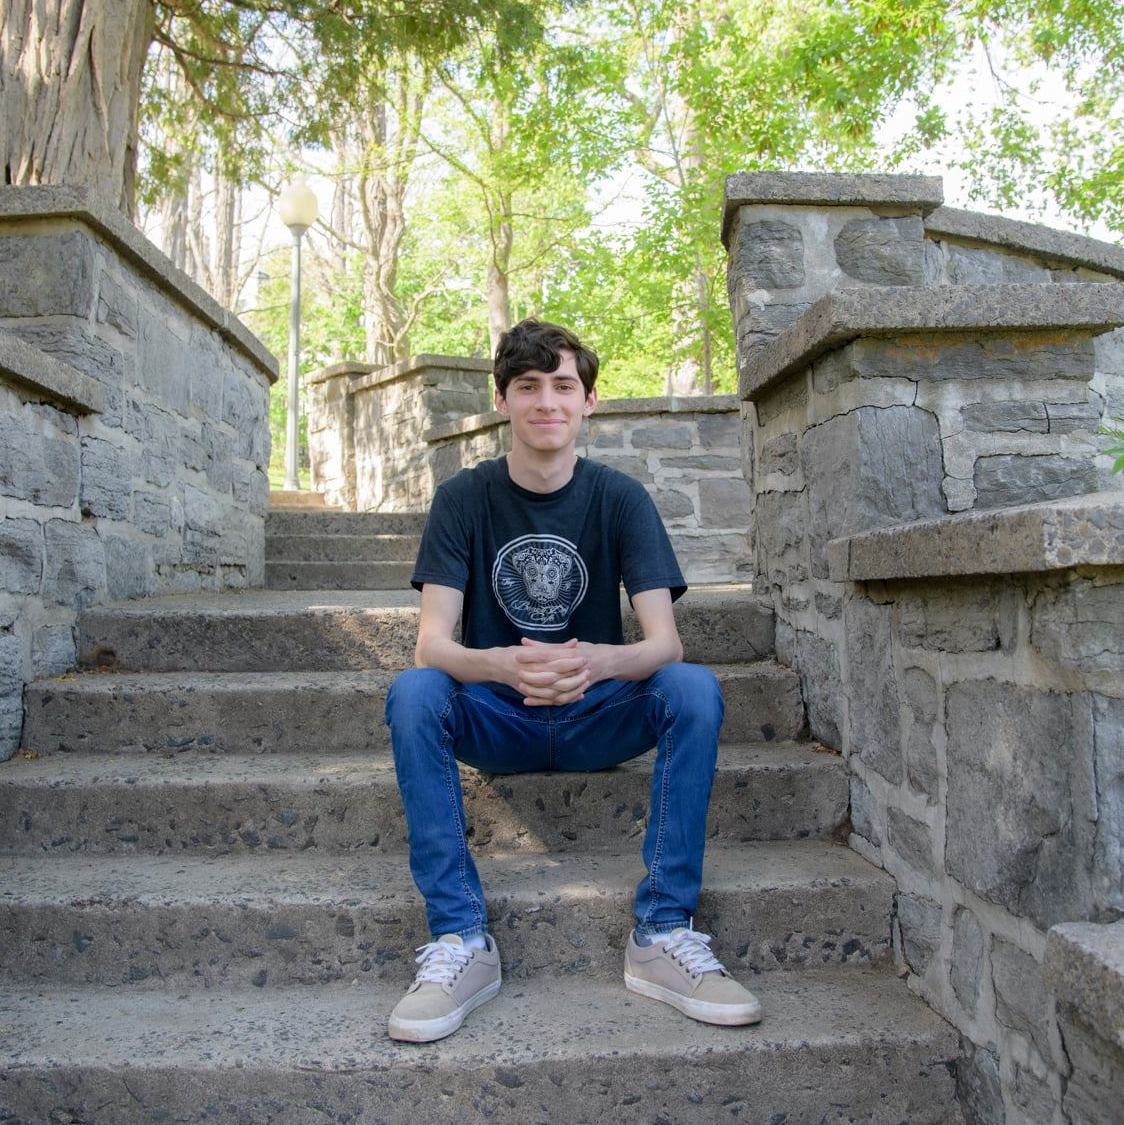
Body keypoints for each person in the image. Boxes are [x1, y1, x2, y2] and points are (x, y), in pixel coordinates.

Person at [384, 318, 762, 1043]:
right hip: (499, 717)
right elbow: (431, 643)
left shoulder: (621, 499)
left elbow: (664, 643)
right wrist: (498, 663)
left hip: (597, 717)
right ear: (503, 400)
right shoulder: (463, 499)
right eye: (528, 386)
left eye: (564, 385)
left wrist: (598, 660)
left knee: (692, 688)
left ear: (590, 401)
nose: (547, 401)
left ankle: (661, 931)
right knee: (414, 693)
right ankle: (460, 938)